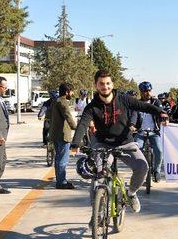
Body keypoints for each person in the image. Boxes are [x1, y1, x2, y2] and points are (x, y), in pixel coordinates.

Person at [70, 70, 168, 213]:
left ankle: (131, 193)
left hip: (125, 142)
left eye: (108, 83)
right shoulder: (92, 106)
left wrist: (161, 113)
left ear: (112, 84)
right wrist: (75, 143)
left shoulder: (124, 99)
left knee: (143, 167)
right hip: (102, 144)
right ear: (96, 85)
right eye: (101, 84)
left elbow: (144, 106)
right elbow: (83, 123)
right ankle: (96, 214)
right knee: (99, 176)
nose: (105, 87)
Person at [131, 81, 164, 182]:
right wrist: (132, 126)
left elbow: (161, 113)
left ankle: (156, 170)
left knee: (159, 150)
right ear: (141, 92)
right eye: (145, 91)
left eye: (149, 90)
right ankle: (141, 170)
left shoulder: (156, 102)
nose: (148, 93)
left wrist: (164, 119)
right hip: (140, 132)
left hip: (154, 132)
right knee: (136, 150)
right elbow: (134, 116)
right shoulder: (137, 103)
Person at [49, 83, 78, 189]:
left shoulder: (55, 101)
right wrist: (77, 128)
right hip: (63, 135)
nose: (73, 93)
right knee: (63, 159)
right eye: (72, 91)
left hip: (55, 134)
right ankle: (61, 182)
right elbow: (68, 116)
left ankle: (60, 179)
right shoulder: (63, 102)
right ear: (67, 92)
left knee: (58, 158)